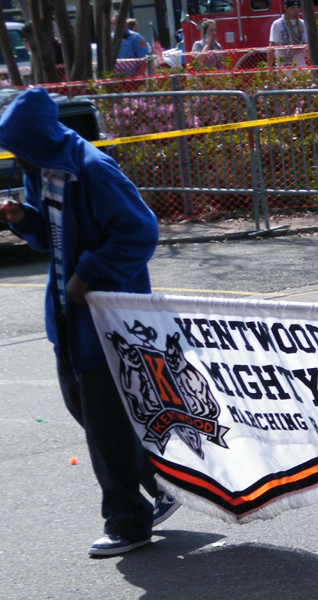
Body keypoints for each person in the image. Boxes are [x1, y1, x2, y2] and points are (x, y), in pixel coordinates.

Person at [0, 88, 180, 557]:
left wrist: (89, 273)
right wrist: (26, 219)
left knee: (105, 425)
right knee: (86, 409)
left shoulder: (93, 170)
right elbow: (54, 238)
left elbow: (140, 232)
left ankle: (127, 522)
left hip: (106, 317)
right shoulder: (44, 171)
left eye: (19, 145)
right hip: (70, 315)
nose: (16, 155)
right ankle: (166, 484)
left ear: (38, 138)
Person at [269, 0, 308, 68]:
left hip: (300, 68)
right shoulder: (278, 24)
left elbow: (307, 46)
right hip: (284, 67)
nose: (296, 10)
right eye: (293, 8)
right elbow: (271, 47)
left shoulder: (302, 24)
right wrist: (268, 68)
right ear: (286, 9)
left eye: (297, 7)